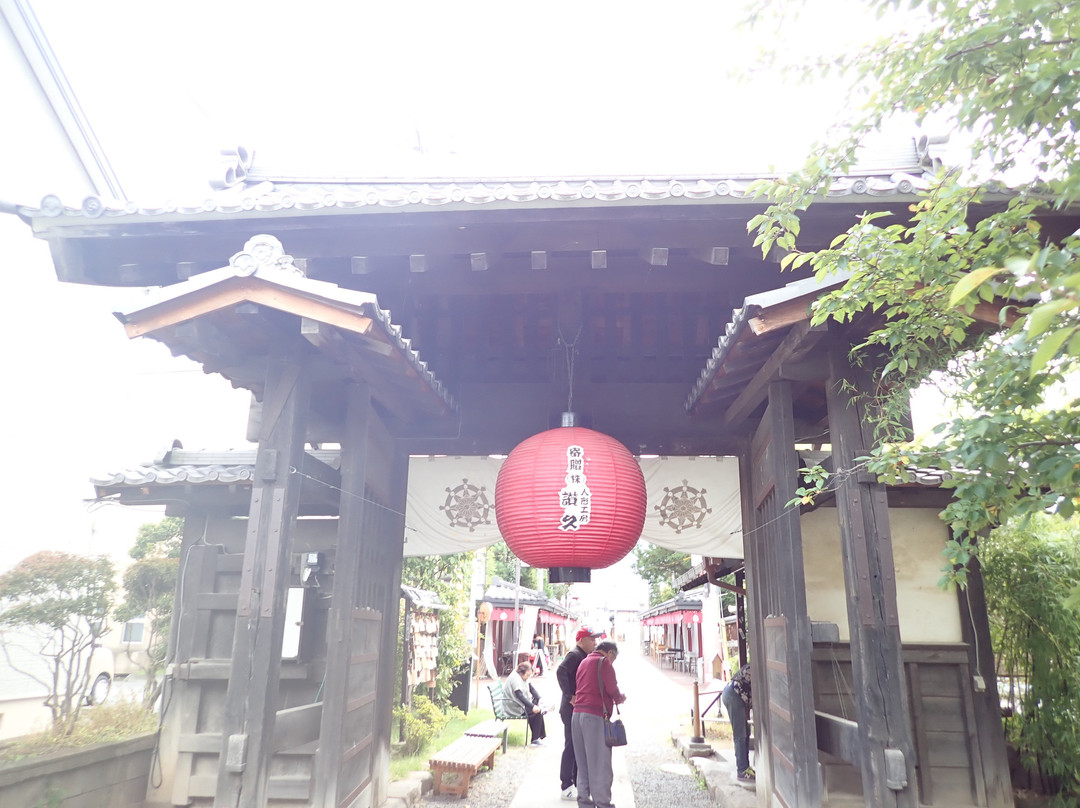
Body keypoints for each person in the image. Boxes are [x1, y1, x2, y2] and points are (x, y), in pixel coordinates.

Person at [572, 640, 625, 808]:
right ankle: (603, 803)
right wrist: (620, 698)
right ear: (609, 653)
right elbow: (612, 689)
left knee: (583, 763)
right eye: (613, 658)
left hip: (577, 715)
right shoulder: (604, 663)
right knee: (600, 763)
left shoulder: (584, 662)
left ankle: (584, 802)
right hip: (594, 716)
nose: (612, 661)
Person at [556, 628, 602, 800]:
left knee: (577, 747)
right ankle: (566, 785)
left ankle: (576, 782)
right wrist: (569, 696)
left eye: (595, 639)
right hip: (570, 709)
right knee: (571, 747)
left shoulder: (584, 655)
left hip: (577, 709)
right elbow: (560, 671)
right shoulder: (575, 655)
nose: (595, 642)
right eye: (591, 639)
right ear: (581, 640)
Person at [722, 663, 754, 782]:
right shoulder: (752, 670)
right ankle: (742, 770)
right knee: (740, 734)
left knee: (746, 731)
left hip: (735, 696)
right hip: (733, 695)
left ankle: (746, 767)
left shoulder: (754, 668)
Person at [502, 660, 547, 744]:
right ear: (522, 673)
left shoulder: (522, 676)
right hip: (514, 707)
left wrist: (539, 698)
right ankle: (535, 739)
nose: (528, 677)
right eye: (527, 675)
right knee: (537, 711)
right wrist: (532, 707)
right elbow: (520, 696)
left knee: (538, 707)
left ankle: (539, 737)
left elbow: (531, 688)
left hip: (519, 703)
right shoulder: (514, 679)